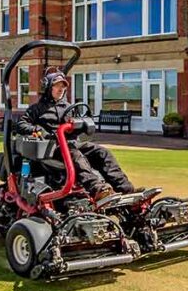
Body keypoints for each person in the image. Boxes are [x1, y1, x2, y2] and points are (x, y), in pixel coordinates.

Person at [16, 71, 135, 200]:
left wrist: (81, 125)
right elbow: (21, 124)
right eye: (57, 86)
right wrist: (38, 130)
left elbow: (77, 125)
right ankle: (96, 189)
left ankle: (126, 190)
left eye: (63, 86)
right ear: (48, 87)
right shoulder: (36, 109)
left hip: (71, 143)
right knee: (75, 154)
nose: (61, 89)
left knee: (102, 152)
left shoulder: (69, 108)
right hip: (52, 147)